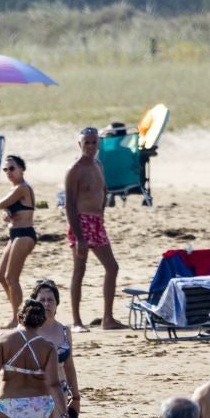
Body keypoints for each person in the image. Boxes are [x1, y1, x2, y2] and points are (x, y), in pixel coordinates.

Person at [65, 128, 125, 330]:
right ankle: (76, 321)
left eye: (93, 142)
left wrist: (102, 215)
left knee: (112, 267)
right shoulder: (75, 169)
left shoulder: (98, 165)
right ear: (80, 144)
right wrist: (80, 238)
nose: (90, 147)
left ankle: (108, 318)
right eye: (86, 143)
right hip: (81, 223)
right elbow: (70, 205)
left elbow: (102, 192)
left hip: (97, 222)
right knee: (79, 270)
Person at [28, 279, 81, 418]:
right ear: (35, 303)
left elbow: (69, 365)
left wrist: (76, 398)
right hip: (31, 393)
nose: (47, 304)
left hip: (58, 394)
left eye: (51, 300)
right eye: (42, 300)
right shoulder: (28, 331)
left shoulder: (64, 331)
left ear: (57, 304)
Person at [0, 155, 38, 321]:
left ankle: (16, 318)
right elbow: (7, 209)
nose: (8, 172)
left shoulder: (22, 188)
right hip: (14, 235)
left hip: (25, 234)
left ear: (21, 169)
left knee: (11, 277)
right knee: (1, 276)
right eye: (5, 169)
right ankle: (19, 312)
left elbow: (0, 204)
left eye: (12, 168)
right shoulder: (14, 189)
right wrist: (6, 213)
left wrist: (0, 204)